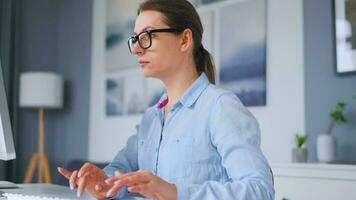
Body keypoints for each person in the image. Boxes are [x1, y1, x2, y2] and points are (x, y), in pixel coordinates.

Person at [58, 0, 274, 199]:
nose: (136, 48)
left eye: (147, 36)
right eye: (135, 38)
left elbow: (260, 190)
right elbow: (120, 173)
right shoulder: (150, 119)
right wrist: (103, 183)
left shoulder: (219, 106)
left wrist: (175, 192)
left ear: (185, 40)